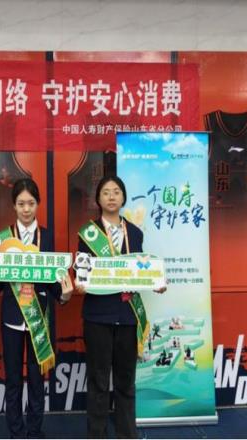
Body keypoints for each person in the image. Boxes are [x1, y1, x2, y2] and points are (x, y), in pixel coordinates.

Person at [0, 178, 73, 439]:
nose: (26, 209)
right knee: (12, 379)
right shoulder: (2, 239)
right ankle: (16, 432)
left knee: (36, 377)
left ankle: (34, 431)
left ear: (38, 204)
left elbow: (52, 278)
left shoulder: (47, 236)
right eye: (21, 204)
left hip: (38, 317)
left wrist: (64, 295)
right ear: (14, 206)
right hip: (11, 318)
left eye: (31, 203)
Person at [76, 175, 166, 439]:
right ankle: (97, 435)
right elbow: (81, 270)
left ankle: (127, 434)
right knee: (98, 382)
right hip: (97, 317)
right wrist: (80, 282)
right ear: (98, 199)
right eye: (106, 192)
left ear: (123, 197)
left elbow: (140, 271)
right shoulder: (88, 233)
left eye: (116, 192)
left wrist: (155, 282)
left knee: (126, 382)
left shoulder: (135, 233)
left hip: (127, 317)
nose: (111, 196)